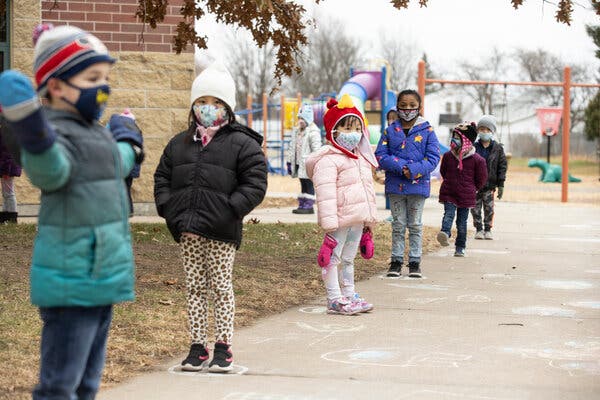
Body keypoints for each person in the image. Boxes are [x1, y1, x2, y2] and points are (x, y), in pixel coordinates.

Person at [0, 24, 144, 400]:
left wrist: (130, 139)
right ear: (58, 86)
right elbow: (52, 170)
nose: (104, 88)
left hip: (102, 281)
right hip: (70, 285)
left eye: (106, 78)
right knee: (60, 386)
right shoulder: (55, 134)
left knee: (87, 384)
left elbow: (117, 161)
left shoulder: (94, 132)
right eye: (93, 78)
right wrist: (32, 129)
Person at [154, 60, 267, 373]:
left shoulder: (242, 144)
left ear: (227, 107)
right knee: (194, 288)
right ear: (193, 106)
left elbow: (255, 182)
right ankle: (197, 347)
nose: (208, 108)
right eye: (202, 102)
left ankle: (223, 347)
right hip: (188, 230)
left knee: (220, 287)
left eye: (216, 102)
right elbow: (162, 177)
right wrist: (169, 208)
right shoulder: (178, 144)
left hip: (221, 231)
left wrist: (231, 209)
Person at [306, 94, 378, 315]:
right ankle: (334, 298)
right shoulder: (328, 160)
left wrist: (368, 221)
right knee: (333, 259)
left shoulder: (361, 159)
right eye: (347, 128)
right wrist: (329, 226)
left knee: (348, 258)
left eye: (357, 129)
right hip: (338, 220)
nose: (353, 134)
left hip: (357, 219)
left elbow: (368, 192)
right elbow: (325, 194)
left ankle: (349, 294)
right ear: (333, 131)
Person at [375, 89, 440, 278]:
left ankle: (414, 261)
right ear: (397, 107)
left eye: (412, 106)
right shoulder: (390, 131)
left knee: (415, 224)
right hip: (396, 185)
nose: (408, 110)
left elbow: (433, 158)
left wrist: (412, 170)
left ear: (419, 107)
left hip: (418, 187)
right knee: (398, 223)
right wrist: (401, 167)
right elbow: (381, 155)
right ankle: (395, 261)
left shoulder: (428, 131)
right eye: (403, 106)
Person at [437, 122, 487, 257]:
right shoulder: (448, 156)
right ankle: (445, 233)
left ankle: (460, 247)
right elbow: (443, 171)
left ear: (466, 140)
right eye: (453, 136)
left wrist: (473, 188)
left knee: (461, 223)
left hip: (466, 195)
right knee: (448, 214)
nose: (454, 140)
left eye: (457, 137)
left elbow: (481, 179)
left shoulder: (478, 160)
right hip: (449, 192)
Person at [471, 115, 507, 240]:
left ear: (492, 132)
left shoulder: (498, 149)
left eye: (487, 130)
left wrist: (501, 184)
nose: (484, 132)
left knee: (489, 208)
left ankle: (487, 229)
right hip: (475, 184)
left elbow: (502, 166)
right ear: (478, 131)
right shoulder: (473, 147)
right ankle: (479, 229)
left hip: (489, 185)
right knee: (475, 208)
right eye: (482, 129)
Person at [286, 102, 322, 214]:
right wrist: (289, 161)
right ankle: (302, 203)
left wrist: (315, 163)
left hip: (308, 163)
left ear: (308, 119)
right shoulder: (297, 132)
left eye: (303, 118)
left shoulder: (313, 132)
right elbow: (292, 146)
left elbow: (317, 149)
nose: (300, 121)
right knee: (302, 182)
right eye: (299, 118)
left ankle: (309, 205)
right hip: (298, 162)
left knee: (308, 183)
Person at [0, 110, 21, 224]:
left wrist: (6, 171)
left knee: (9, 193)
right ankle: (5, 217)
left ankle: (12, 218)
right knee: (6, 193)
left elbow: (8, 154)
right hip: (6, 167)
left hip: (7, 168)